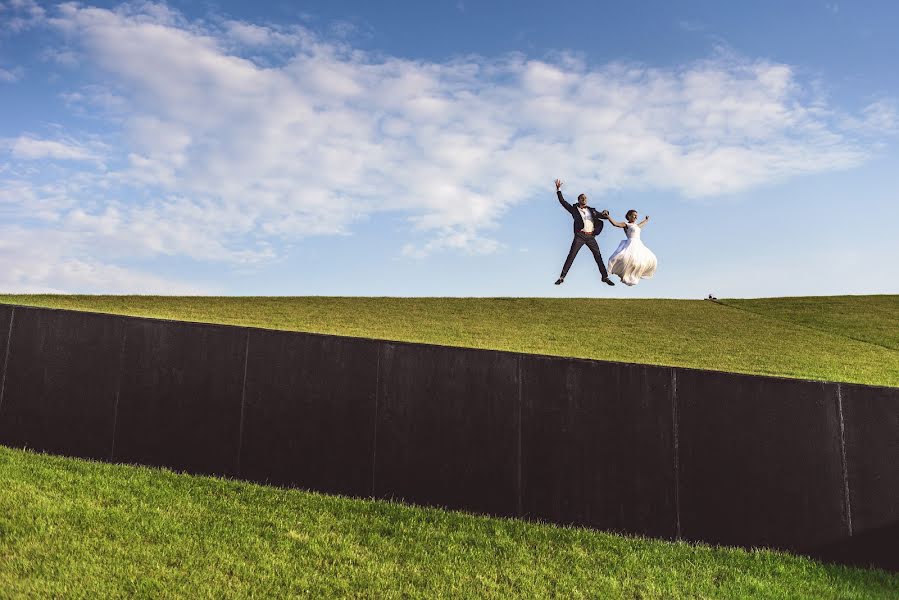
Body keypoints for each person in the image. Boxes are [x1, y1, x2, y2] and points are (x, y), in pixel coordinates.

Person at [553, 179, 615, 286]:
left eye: (586, 198)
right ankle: (562, 277)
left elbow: (603, 216)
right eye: (582, 198)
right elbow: (563, 202)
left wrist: (606, 212)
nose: (585, 199)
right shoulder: (574, 209)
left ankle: (605, 277)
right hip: (580, 236)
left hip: (591, 236)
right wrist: (558, 189)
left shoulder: (592, 210)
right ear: (579, 199)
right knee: (571, 255)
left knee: (598, 256)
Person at [605, 209, 657, 286]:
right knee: (624, 258)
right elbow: (615, 224)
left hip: (638, 244)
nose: (636, 217)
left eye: (636, 216)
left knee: (643, 260)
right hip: (631, 243)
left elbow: (642, 224)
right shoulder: (626, 224)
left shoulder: (636, 225)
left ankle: (632, 275)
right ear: (629, 216)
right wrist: (608, 217)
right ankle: (621, 272)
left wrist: (646, 220)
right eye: (634, 215)